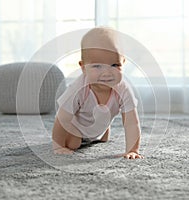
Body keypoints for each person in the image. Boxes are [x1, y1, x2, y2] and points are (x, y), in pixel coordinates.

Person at [52, 27, 143, 159]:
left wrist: (133, 150)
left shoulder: (123, 89)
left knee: (103, 137)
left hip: (99, 128)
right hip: (76, 128)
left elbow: (131, 123)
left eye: (114, 65)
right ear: (83, 67)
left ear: (123, 62)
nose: (106, 73)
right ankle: (78, 136)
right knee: (73, 143)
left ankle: (101, 130)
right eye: (97, 66)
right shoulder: (78, 88)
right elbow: (62, 118)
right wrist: (58, 146)